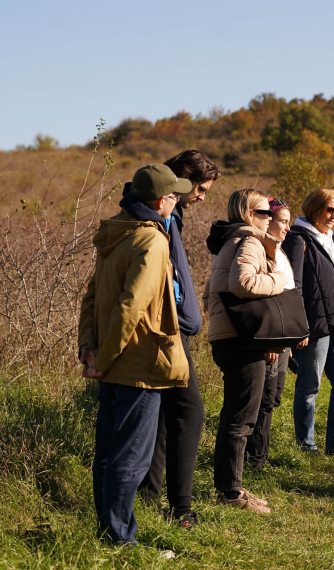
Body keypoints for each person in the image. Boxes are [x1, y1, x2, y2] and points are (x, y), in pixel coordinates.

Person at [78, 164, 192, 544]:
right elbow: (132, 306)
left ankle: (108, 531)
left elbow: (91, 297)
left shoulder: (115, 232)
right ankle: (120, 539)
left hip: (110, 363)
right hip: (138, 364)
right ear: (161, 201)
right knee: (131, 458)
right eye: (175, 196)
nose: (177, 201)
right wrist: (105, 356)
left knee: (108, 455)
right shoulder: (152, 240)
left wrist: (90, 350)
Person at [138, 149, 220, 528]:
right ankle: (181, 507)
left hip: (171, 325)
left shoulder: (174, 216)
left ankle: (149, 495)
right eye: (200, 188)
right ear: (182, 181)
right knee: (189, 411)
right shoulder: (156, 217)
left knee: (164, 413)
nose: (203, 196)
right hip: (162, 327)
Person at [205, 188, 294, 513]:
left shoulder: (230, 243)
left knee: (236, 416)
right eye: (263, 213)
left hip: (229, 337)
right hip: (242, 341)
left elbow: (210, 291)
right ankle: (231, 493)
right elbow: (242, 284)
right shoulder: (248, 241)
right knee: (241, 420)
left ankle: (231, 488)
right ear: (247, 214)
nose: (269, 218)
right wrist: (279, 284)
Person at [283, 188, 334, 458]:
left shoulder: (333, 239)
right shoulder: (298, 239)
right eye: (329, 209)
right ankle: (305, 447)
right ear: (314, 208)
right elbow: (293, 285)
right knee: (310, 385)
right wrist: (299, 325)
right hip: (314, 327)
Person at [245, 197, 292, 469]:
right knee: (263, 399)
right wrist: (271, 338)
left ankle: (260, 455)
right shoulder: (259, 250)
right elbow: (265, 297)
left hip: (283, 337)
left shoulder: (279, 251)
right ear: (268, 220)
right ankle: (255, 461)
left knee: (273, 397)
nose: (287, 228)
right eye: (282, 221)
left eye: (288, 222)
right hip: (270, 337)